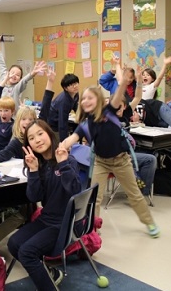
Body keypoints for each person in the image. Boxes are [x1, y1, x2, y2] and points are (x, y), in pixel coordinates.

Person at [63, 61, 160, 238]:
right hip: (101, 162)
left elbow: (121, 89)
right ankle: (92, 229)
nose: (86, 101)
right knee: (96, 198)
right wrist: (60, 148)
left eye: (90, 97)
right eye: (83, 98)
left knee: (134, 194)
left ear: (99, 100)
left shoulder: (109, 111)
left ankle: (149, 222)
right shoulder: (85, 124)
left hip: (121, 160)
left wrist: (124, 76)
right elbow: (72, 139)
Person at [7, 119, 82, 290]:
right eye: (32, 138)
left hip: (65, 224)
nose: (37, 140)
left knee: (27, 252)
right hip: (47, 220)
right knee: (13, 244)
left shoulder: (68, 160)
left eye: (40, 134)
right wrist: (33, 170)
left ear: (49, 134)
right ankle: (50, 273)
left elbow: (75, 191)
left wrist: (63, 163)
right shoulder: (39, 165)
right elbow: (34, 197)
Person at [0, 35, 46, 108]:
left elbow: (24, 80)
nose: (14, 75)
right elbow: (1, 63)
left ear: (19, 79)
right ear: (8, 73)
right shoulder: (4, 77)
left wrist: (32, 73)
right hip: (1, 113)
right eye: (12, 73)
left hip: (14, 116)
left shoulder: (17, 87)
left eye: (18, 75)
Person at [47, 73, 79, 141]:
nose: (75, 86)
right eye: (71, 85)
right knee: (58, 143)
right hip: (53, 124)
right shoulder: (63, 100)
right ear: (65, 88)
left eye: (76, 83)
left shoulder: (75, 94)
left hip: (61, 121)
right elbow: (62, 123)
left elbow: (77, 108)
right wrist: (64, 141)